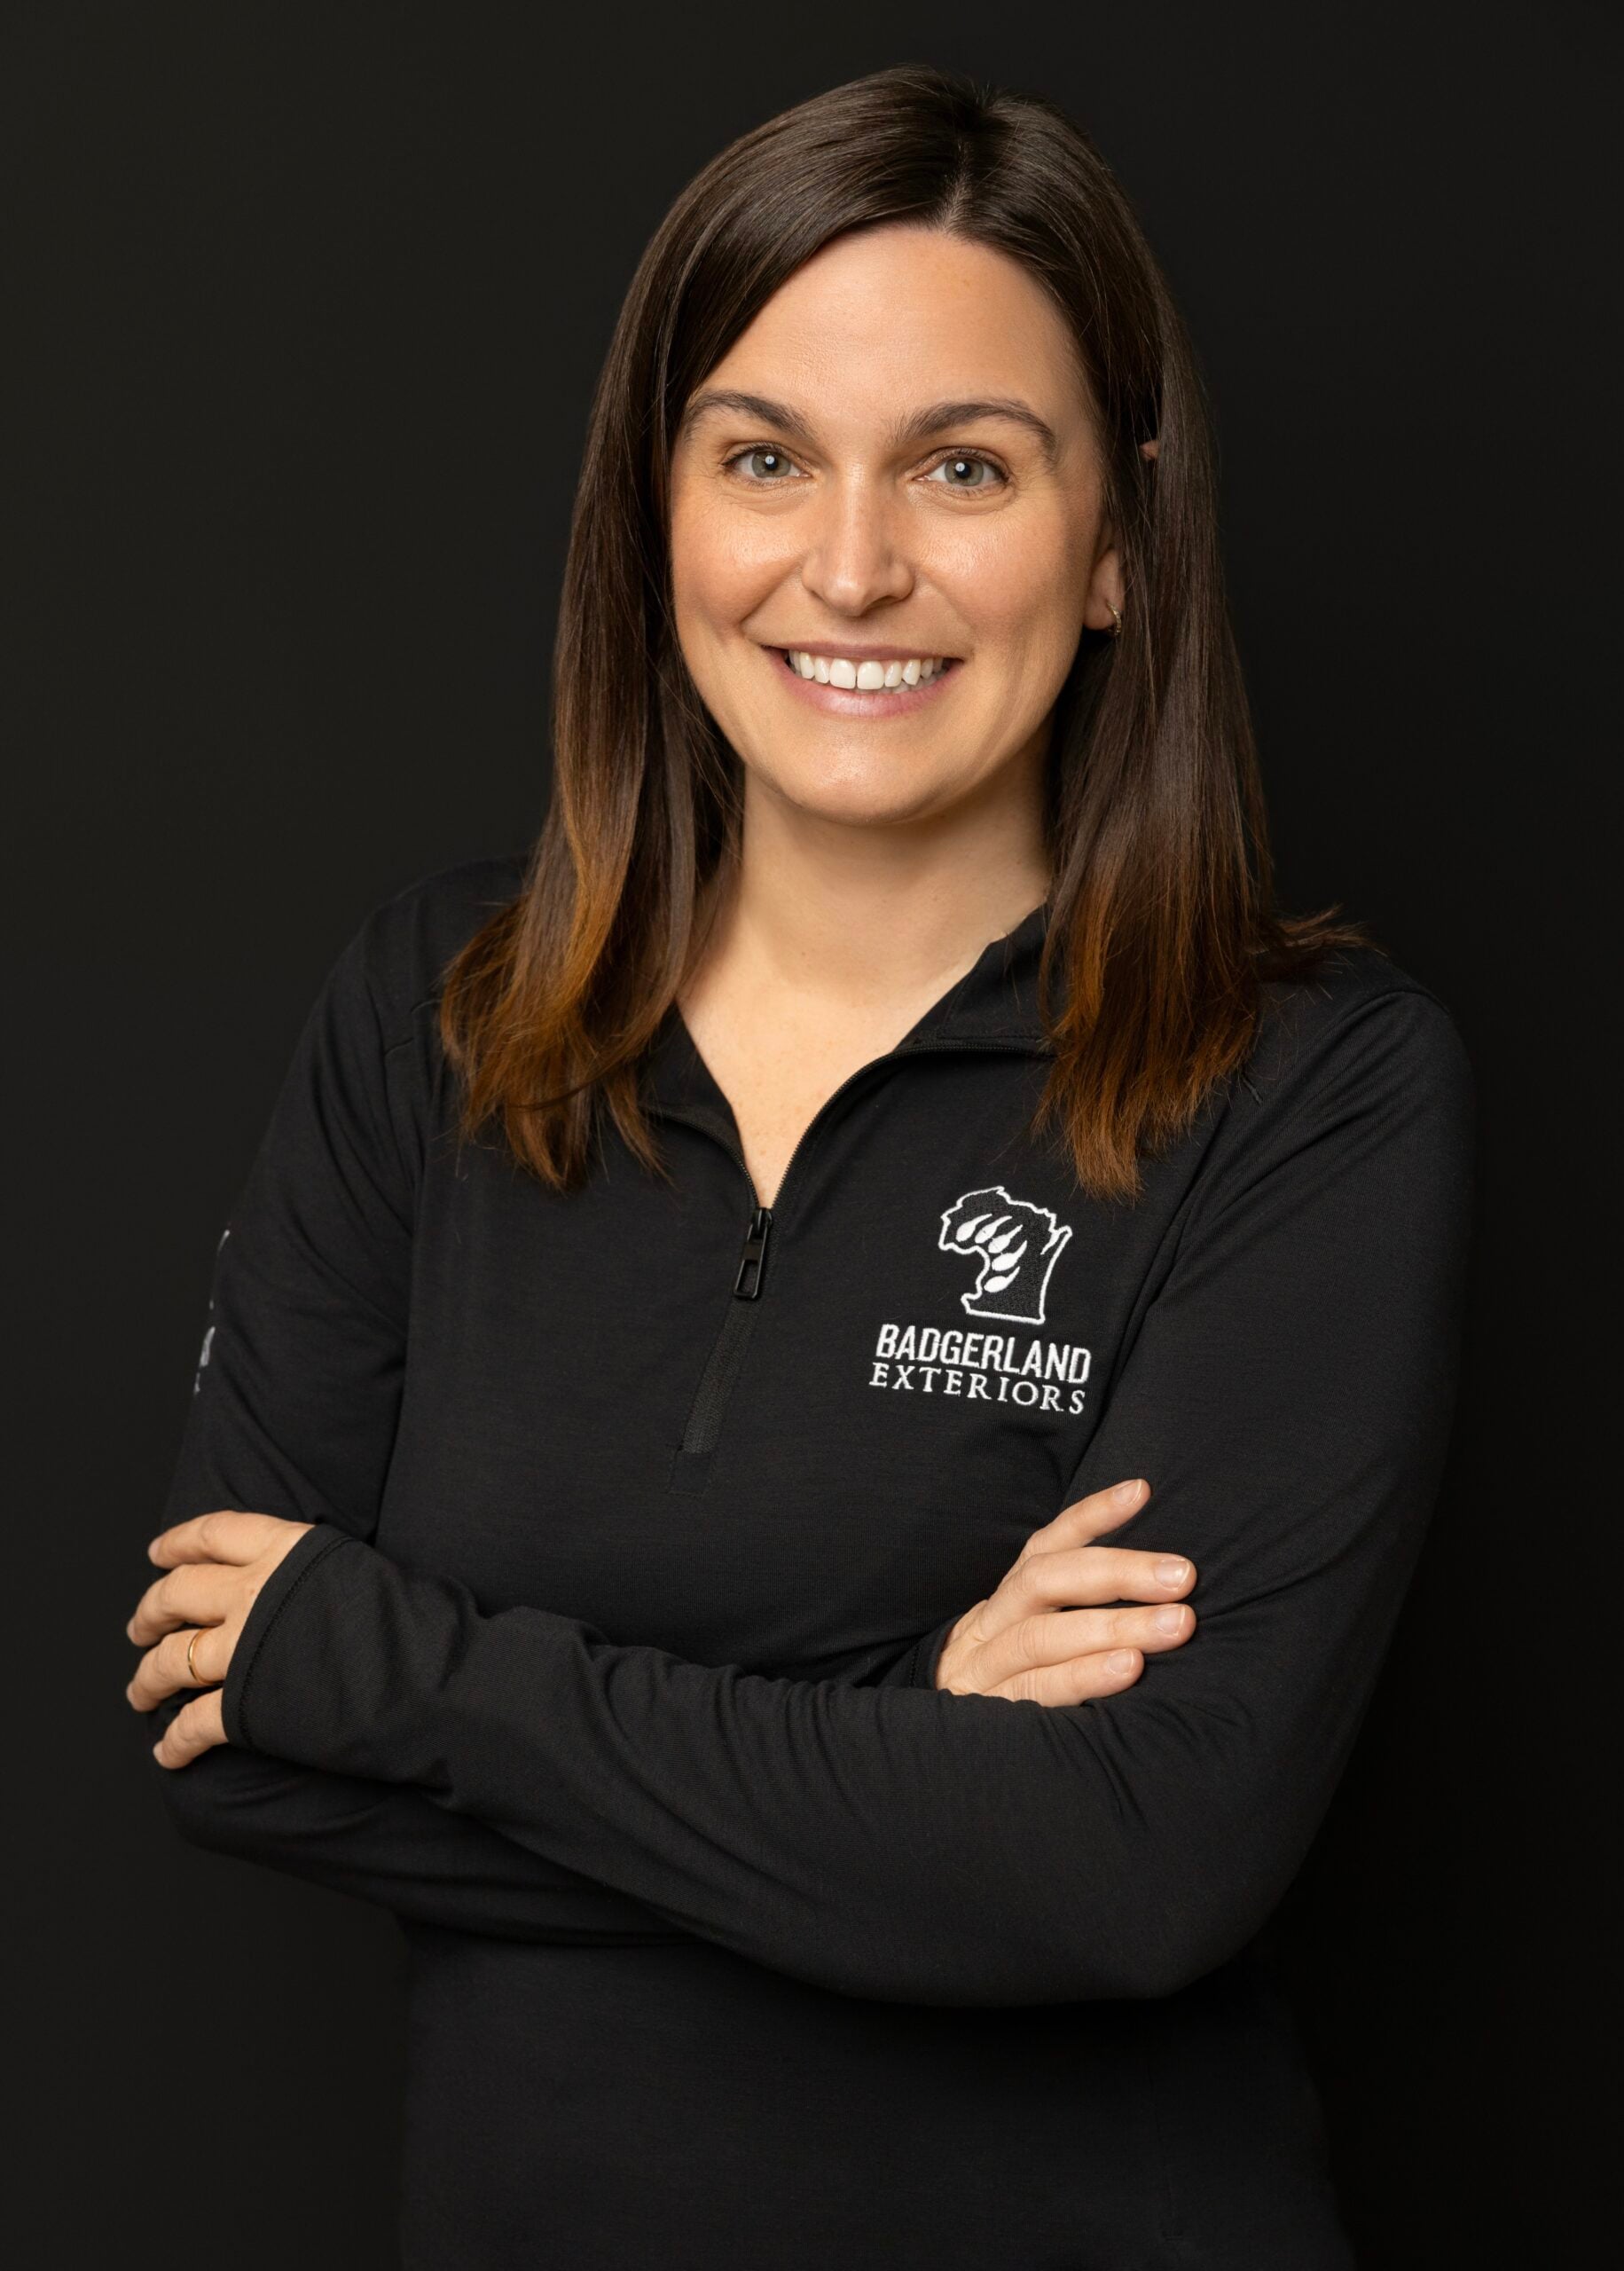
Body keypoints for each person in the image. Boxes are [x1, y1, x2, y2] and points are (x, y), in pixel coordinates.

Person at [122, 63, 1474, 2271]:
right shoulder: (429, 1012)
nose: (851, 565)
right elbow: (225, 1728)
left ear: (1118, 535)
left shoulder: (1307, 1083)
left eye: (963, 465)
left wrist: (395, 1667)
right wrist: (915, 1728)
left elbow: (1130, 1866)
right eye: (762, 456)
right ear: (654, 510)